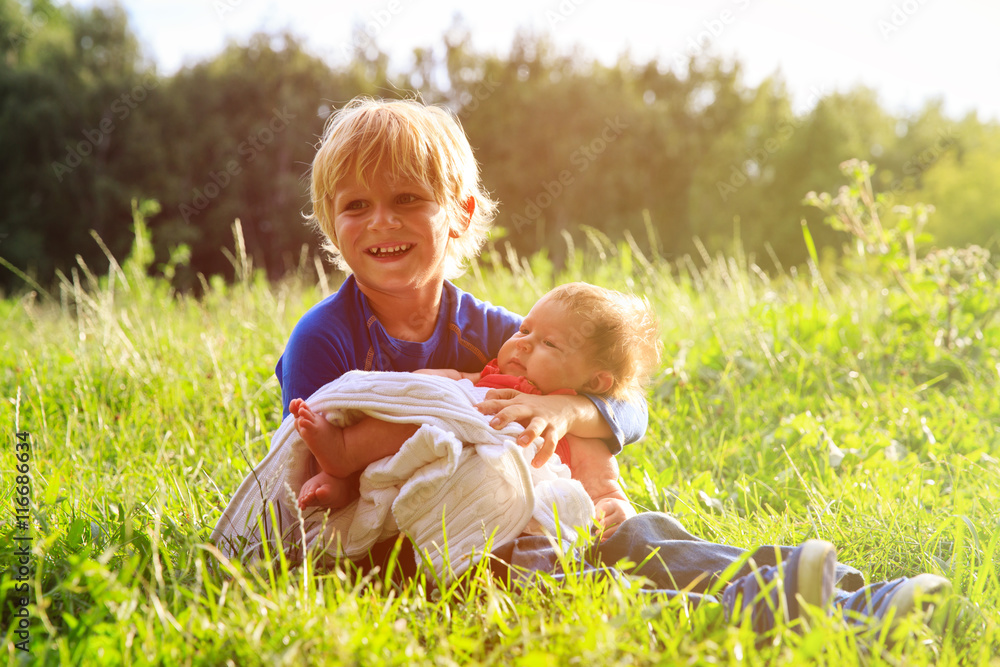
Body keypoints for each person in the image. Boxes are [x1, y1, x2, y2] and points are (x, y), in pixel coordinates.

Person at [272, 95, 953, 634]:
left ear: (460, 215)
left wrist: (564, 407)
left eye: (407, 200)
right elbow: (307, 470)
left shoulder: (490, 330)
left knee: (635, 530)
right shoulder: (325, 340)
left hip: (536, 515)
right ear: (332, 225)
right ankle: (778, 605)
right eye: (356, 206)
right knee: (594, 562)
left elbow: (627, 405)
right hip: (428, 549)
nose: (382, 223)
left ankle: (859, 598)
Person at [291, 281, 662, 542]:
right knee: (426, 415)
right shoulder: (493, 373)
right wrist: (421, 387)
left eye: (548, 343)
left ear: (595, 383)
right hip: (446, 453)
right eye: (523, 330)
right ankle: (343, 455)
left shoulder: (572, 428)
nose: (524, 344)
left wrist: (612, 506)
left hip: (508, 500)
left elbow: (603, 482)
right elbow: (447, 384)